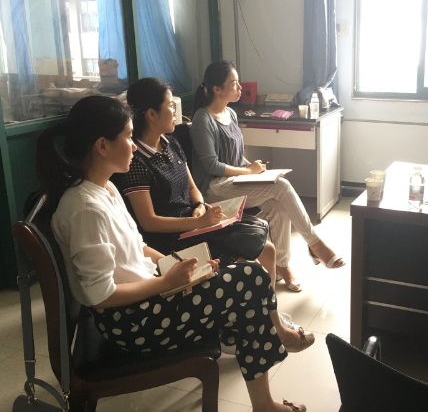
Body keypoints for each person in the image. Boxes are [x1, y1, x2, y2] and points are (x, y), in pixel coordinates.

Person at [36, 95, 312, 412]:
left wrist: (183, 266)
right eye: (128, 136)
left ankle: (263, 395)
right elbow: (99, 295)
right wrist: (166, 282)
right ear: (102, 146)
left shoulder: (105, 189)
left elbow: (138, 247)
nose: (133, 145)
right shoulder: (85, 208)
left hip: (147, 298)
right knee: (250, 279)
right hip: (131, 323)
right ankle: (265, 397)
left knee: (247, 278)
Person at [190, 61, 345, 293]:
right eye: (234, 83)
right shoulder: (203, 119)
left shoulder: (230, 113)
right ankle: (315, 244)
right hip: (213, 188)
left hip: (233, 181)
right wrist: (248, 172)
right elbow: (211, 164)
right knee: (281, 187)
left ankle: (282, 266)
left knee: (277, 204)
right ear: (217, 89)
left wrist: (250, 166)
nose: (240, 88)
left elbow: (235, 155)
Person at [113, 77, 279, 289]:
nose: (175, 111)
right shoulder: (136, 161)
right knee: (249, 265)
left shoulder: (171, 143)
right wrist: (198, 222)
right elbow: (149, 222)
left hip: (194, 224)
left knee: (268, 249)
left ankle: (268, 307)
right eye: (171, 106)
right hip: (171, 238)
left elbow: (193, 188)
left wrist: (200, 206)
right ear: (152, 115)